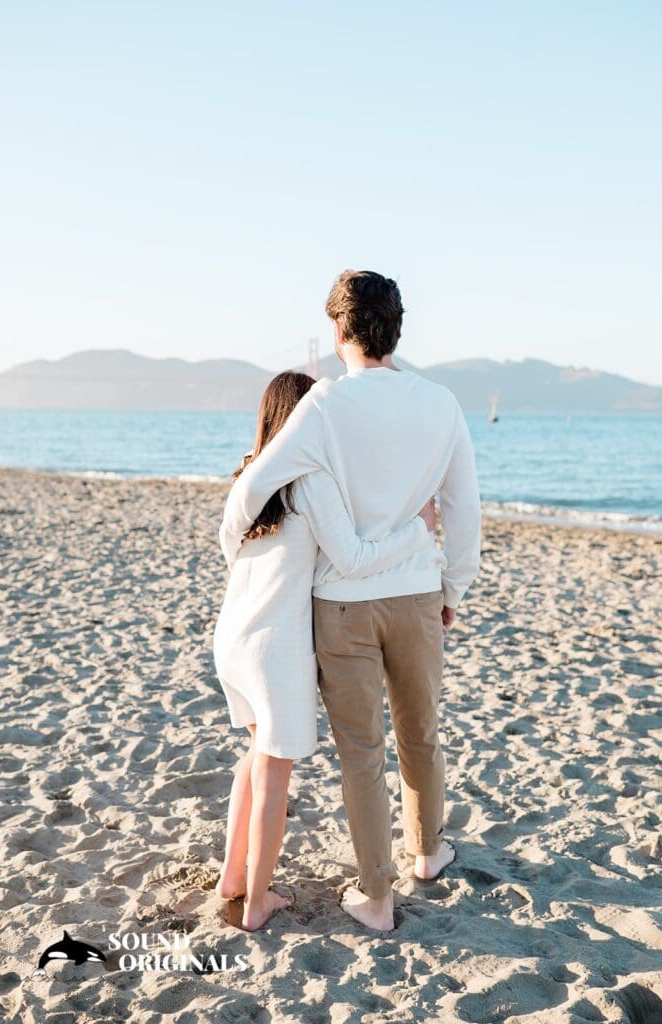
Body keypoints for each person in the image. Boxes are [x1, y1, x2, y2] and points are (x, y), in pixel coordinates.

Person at [220, 270, 481, 932]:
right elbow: (464, 510)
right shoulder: (442, 404)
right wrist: (453, 586)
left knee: (361, 753)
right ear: (397, 329)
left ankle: (376, 896)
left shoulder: (324, 408)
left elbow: (252, 491)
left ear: (339, 330)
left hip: (342, 603)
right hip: (418, 596)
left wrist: (234, 551)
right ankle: (427, 853)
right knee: (420, 733)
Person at [213, 370, 439, 931]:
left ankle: (232, 878)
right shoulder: (309, 478)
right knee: (273, 775)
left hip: (233, 636)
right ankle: (258, 902)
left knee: (253, 758)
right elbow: (353, 557)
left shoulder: (251, 472)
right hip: (274, 651)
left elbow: (227, 546)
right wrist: (418, 530)